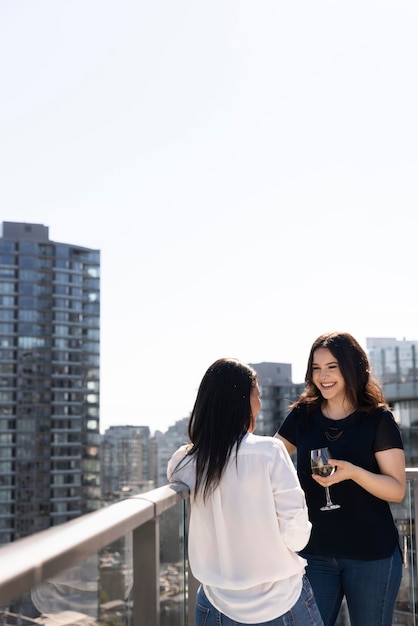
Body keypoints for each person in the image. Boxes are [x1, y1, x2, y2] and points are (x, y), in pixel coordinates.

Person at [167, 357, 324, 626]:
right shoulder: (269, 452)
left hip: (216, 606)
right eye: (257, 395)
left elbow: (178, 462)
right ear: (243, 402)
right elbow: (297, 537)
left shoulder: (189, 462)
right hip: (281, 604)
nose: (260, 404)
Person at [276, 332, 406, 626]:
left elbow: (397, 490)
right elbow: (268, 459)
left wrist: (354, 473)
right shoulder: (301, 416)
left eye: (332, 367)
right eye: (316, 368)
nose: (323, 376)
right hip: (314, 554)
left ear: (351, 368)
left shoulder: (378, 419)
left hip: (372, 555)